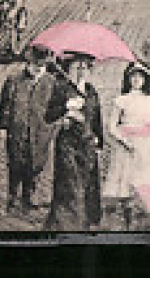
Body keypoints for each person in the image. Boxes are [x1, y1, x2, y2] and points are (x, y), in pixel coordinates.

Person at [102, 62, 150, 230]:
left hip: (147, 148)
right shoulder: (121, 100)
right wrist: (125, 141)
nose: (136, 79)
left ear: (145, 80)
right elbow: (111, 126)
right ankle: (128, 224)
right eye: (133, 76)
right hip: (126, 148)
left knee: (145, 183)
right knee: (125, 185)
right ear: (128, 78)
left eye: (140, 76)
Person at [43, 53, 105, 231]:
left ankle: (85, 220)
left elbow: (97, 117)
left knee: (87, 184)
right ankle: (68, 222)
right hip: (67, 144)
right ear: (69, 70)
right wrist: (66, 108)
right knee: (69, 183)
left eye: (84, 68)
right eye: (76, 68)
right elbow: (48, 115)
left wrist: (98, 138)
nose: (80, 72)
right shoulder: (62, 89)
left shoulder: (91, 91)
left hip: (87, 145)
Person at [0, 45, 57, 212]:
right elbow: (5, 105)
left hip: (40, 130)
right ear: (29, 63)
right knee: (16, 162)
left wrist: (51, 127)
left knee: (35, 163)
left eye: (41, 66)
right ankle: (12, 196)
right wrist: (4, 126)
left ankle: (28, 196)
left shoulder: (51, 82)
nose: (38, 69)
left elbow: (54, 108)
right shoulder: (14, 80)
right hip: (18, 129)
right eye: (35, 65)